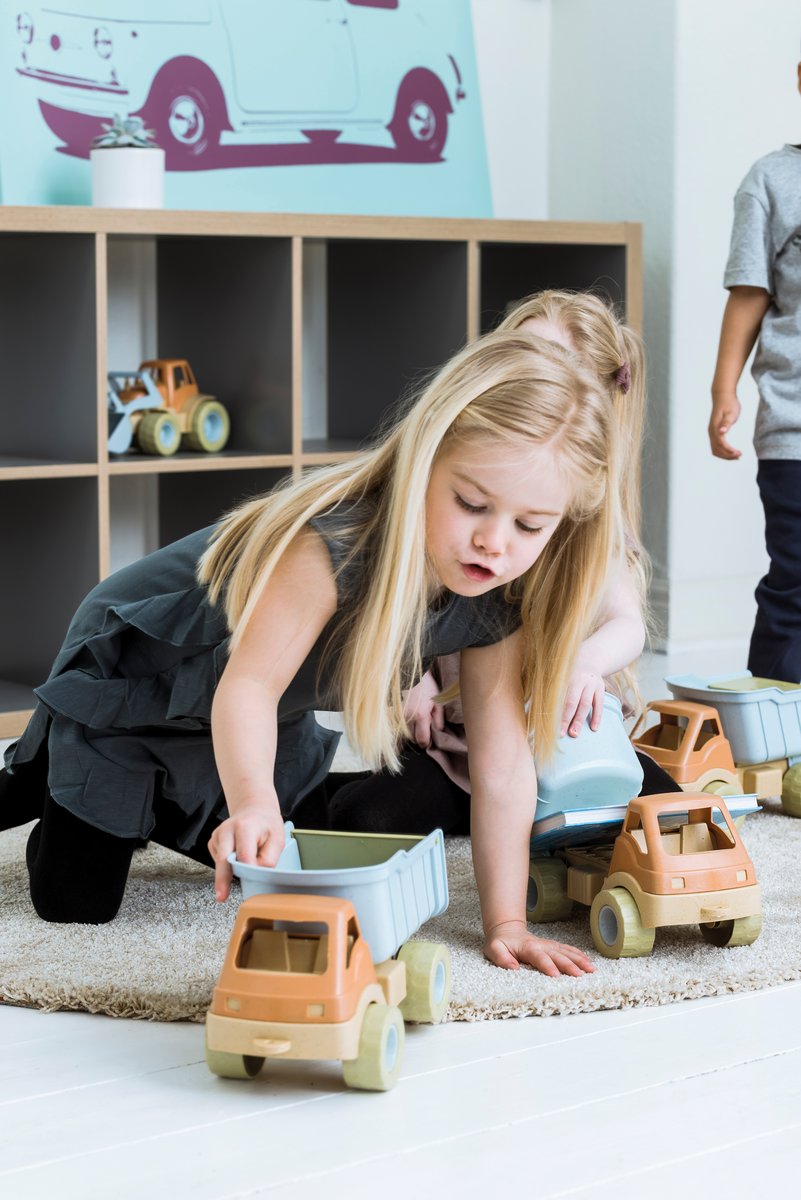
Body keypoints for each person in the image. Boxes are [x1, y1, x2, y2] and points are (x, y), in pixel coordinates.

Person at [1, 329, 622, 977]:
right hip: (138, 677)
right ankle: (46, 776)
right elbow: (247, 688)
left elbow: (501, 765)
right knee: (74, 905)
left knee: (284, 863)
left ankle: (143, 802)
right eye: (471, 503)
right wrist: (252, 805)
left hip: (245, 716)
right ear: (422, 461)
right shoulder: (332, 544)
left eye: (529, 525)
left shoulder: (498, 599)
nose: (494, 543)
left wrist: (507, 924)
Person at [329, 289, 663, 840]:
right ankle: (506, 817)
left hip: (561, 744)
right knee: (364, 818)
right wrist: (414, 683)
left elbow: (626, 621)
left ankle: (529, 817)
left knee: (668, 816)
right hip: (463, 745)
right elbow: (404, 608)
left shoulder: (587, 526)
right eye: (519, 356)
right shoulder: (457, 506)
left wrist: (584, 663)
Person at [709, 81, 801, 682]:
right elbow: (749, 293)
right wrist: (724, 390)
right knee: (794, 585)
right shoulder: (770, 179)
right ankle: (775, 745)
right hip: (794, 429)